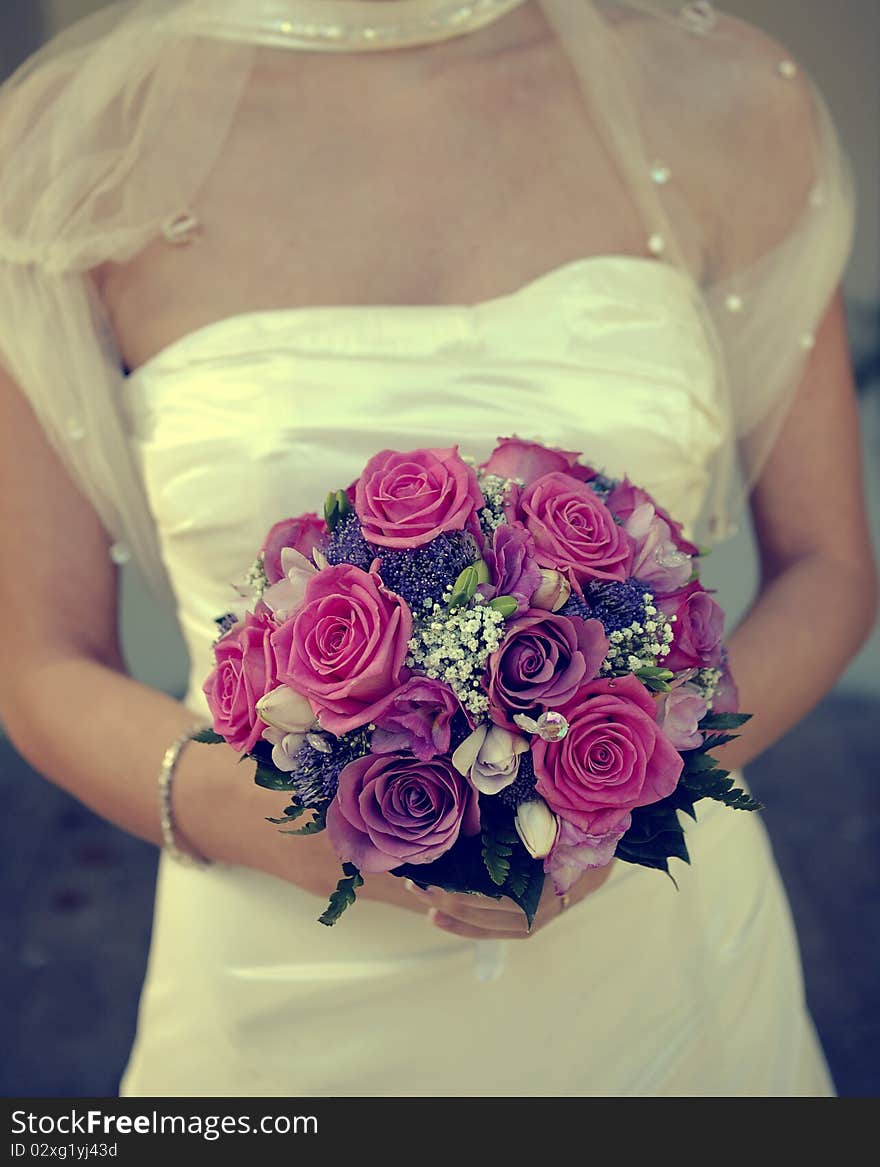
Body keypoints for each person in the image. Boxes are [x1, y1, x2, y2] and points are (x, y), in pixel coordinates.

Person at [0, 0, 876, 1096]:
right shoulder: (76, 149)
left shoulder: (724, 96)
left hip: (651, 966)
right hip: (280, 968)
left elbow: (830, 568)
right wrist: (287, 827)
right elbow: (38, 658)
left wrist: (625, 788)